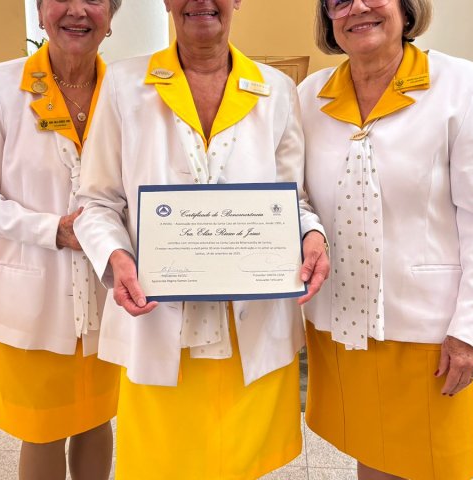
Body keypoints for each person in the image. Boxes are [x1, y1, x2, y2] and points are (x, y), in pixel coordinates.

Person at [74, 0, 330, 478]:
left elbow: (291, 201)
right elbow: (96, 201)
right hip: (159, 320)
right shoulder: (124, 85)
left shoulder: (276, 89)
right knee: (162, 464)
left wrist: (311, 235)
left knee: (244, 464)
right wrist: (115, 255)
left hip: (250, 324)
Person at [299, 0, 473, 479]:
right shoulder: (310, 96)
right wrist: (307, 230)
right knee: (372, 452)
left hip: (428, 329)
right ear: (328, 16)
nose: (357, 8)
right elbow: (298, 197)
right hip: (343, 322)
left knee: (429, 462)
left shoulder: (462, 87)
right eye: (339, 0)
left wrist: (470, 330)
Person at [0, 1, 123, 478]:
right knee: (42, 430)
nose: (78, 10)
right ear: (41, 11)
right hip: (31, 297)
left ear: (111, 14)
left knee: (98, 418)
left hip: (109, 294)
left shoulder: (126, 91)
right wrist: (50, 230)